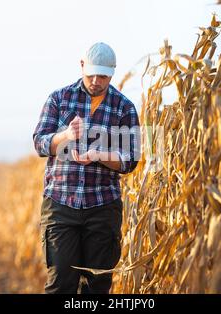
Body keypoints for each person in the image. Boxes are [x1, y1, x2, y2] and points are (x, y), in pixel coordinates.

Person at [32, 42, 140, 294]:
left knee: (97, 285)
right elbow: (40, 143)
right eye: (91, 74)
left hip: (103, 206)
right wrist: (66, 135)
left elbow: (130, 159)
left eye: (102, 76)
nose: (95, 81)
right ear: (82, 66)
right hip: (60, 203)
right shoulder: (59, 99)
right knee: (61, 283)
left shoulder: (124, 108)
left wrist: (100, 155)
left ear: (112, 73)